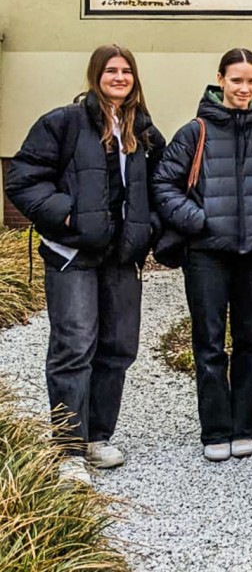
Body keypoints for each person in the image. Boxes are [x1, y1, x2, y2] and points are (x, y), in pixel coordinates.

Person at [6, 46, 166, 486]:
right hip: (72, 255)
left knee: (118, 347)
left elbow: (161, 185)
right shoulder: (63, 122)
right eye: (111, 70)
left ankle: (98, 436)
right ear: (96, 75)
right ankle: (68, 449)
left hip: (121, 257)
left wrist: (147, 227)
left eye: (126, 70)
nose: (120, 77)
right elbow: (23, 178)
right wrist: (67, 214)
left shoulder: (142, 130)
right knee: (74, 347)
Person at [153, 49, 252, 464]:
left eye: (251, 81)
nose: (244, 88)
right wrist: (198, 220)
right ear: (220, 79)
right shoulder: (195, 132)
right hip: (206, 254)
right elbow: (163, 184)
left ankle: (244, 425)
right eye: (236, 80)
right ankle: (215, 428)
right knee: (209, 342)